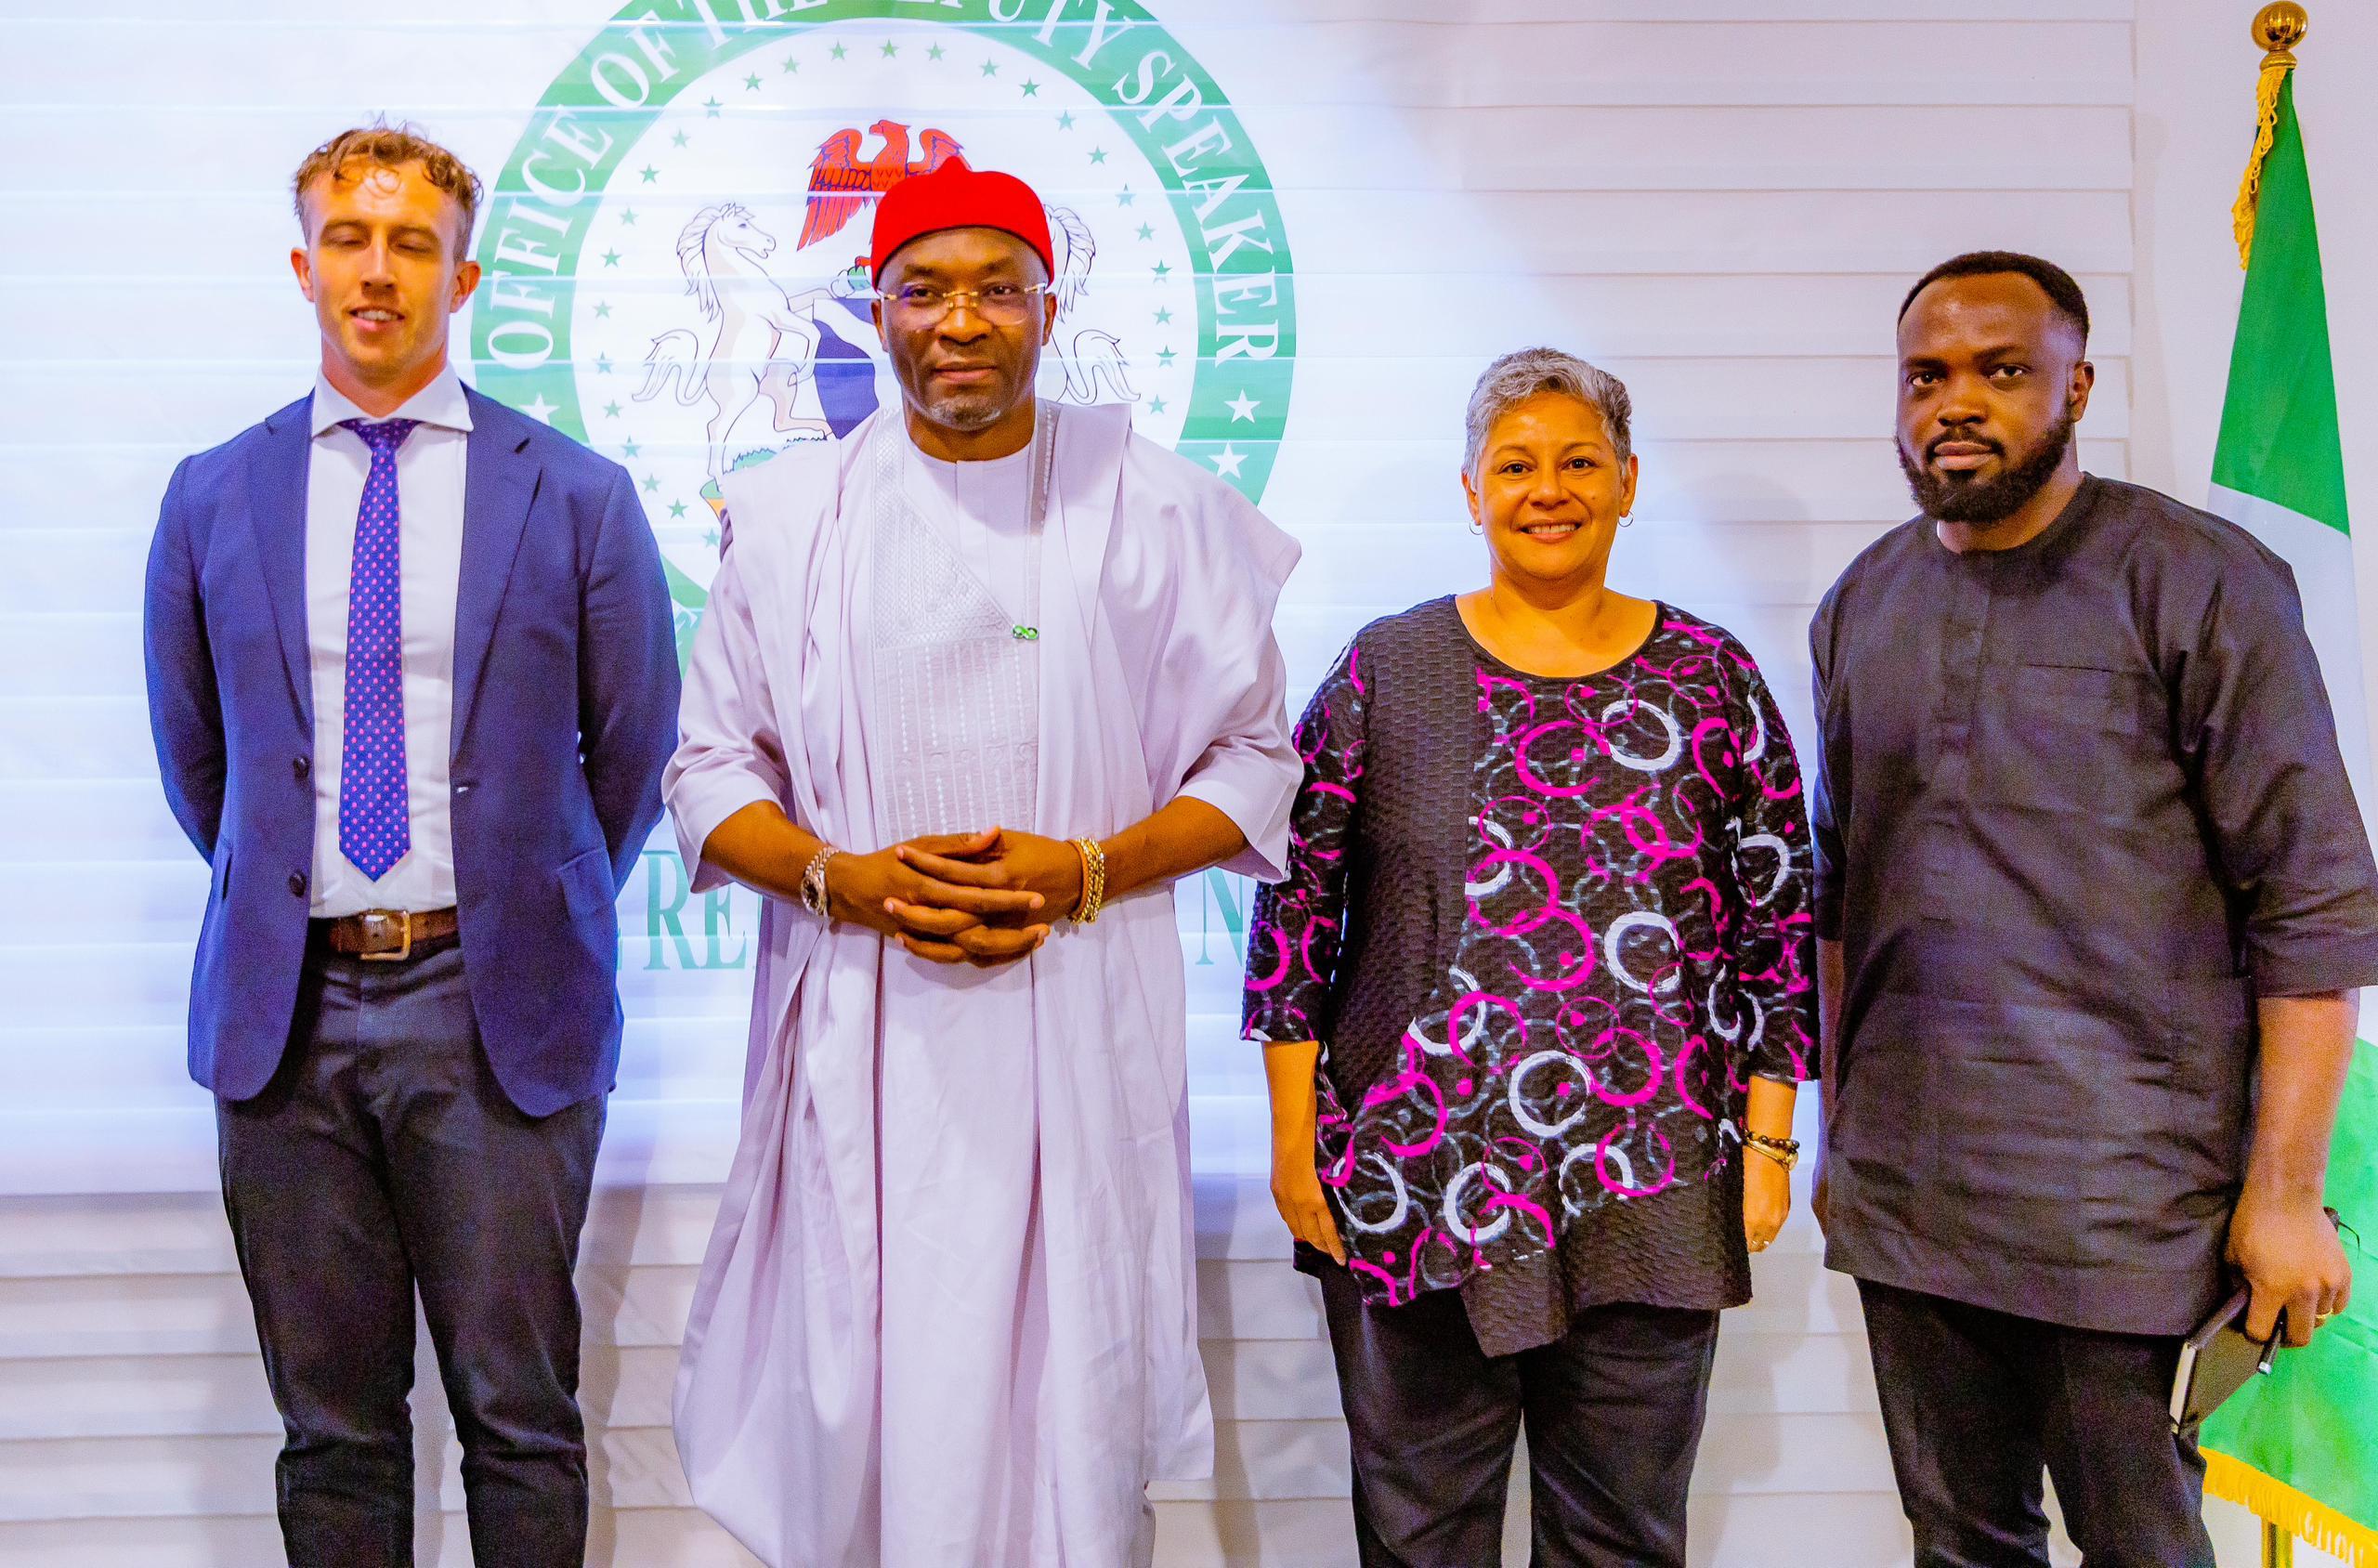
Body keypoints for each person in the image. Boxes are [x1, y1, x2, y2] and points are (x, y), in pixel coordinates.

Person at [662, 160, 1302, 1567]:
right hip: (864, 1030)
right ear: (875, 310)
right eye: (925, 290)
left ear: (1048, 308)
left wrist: (1090, 870)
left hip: (1077, 1014)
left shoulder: (1159, 507)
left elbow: (1257, 762)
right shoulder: (790, 515)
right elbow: (708, 771)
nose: (961, 321)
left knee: (1069, 1415)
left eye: (997, 290)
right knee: (869, 1398)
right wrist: (844, 880)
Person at [140, 124, 679, 1566]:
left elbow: (631, 755)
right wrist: (294, 903)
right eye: (351, 239)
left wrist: (512, 902)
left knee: (520, 1420)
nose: (378, 270)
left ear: (465, 276)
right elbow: (203, 765)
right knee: (333, 1435)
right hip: (286, 1016)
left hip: (498, 1013)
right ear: (304, 265)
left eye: (413, 244)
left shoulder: (576, 495)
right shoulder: (211, 494)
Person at [1810, 251, 2376, 1566]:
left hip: (2123, 1202)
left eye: (2003, 371)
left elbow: (2310, 905)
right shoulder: (1862, 604)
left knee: (2143, 1548)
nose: (1959, 402)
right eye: (1927, 377)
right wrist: (1842, 1136)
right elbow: (1839, 900)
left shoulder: (2199, 581)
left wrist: (2285, 1197)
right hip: (1911, 1197)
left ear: (2077, 388)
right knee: (1960, 1541)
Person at [1244, 346, 1817, 1567]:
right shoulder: (1387, 671)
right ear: (1471, 491)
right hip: (1409, 1173)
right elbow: (1294, 914)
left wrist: (1769, 1147)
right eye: (1514, 465)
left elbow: (1776, 920)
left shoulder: (1711, 678)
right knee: (1420, 1537)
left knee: (1622, 1540)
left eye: (1578, 463)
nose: (1547, 489)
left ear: (1627, 483)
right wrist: (1295, 1148)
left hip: (1654, 1178)